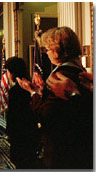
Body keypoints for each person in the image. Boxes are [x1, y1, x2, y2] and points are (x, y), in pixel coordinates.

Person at [16, 27, 92, 168]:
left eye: (48, 49)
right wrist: (42, 91)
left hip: (62, 150)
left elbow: (46, 115)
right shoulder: (79, 70)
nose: (46, 53)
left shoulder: (60, 75)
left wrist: (33, 93)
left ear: (58, 50)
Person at [5, 57, 39, 169]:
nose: (7, 74)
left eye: (8, 71)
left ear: (13, 72)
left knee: (21, 162)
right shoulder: (29, 85)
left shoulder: (16, 90)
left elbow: (13, 115)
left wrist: (9, 132)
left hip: (19, 135)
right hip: (31, 133)